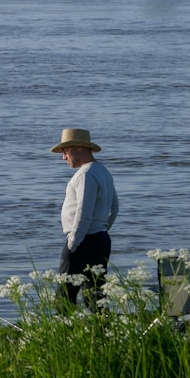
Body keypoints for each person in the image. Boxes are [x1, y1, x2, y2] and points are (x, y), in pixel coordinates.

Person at [50, 128, 119, 310]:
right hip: (99, 239)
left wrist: (73, 243)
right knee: (95, 297)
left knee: (64, 298)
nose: (64, 157)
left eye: (65, 151)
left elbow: (83, 212)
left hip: (83, 240)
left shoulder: (85, 174)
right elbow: (115, 207)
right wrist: (102, 229)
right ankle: (103, 334)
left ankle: (64, 336)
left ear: (79, 147)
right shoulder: (103, 171)